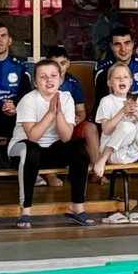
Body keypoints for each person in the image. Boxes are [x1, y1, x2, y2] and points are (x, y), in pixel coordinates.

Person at [7, 58, 94, 228]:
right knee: (30, 149)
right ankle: (25, 211)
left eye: (53, 76)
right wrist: (50, 113)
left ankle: (77, 207)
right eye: (43, 77)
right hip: (23, 150)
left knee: (77, 147)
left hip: (52, 150)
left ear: (61, 80)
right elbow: (32, 137)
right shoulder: (28, 100)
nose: (49, 80)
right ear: (35, 82)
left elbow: (66, 137)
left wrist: (59, 112)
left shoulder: (66, 98)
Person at [93, 62, 138, 179]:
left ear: (131, 82)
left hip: (132, 152)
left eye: (125, 77)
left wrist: (136, 113)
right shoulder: (106, 101)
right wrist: (123, 111)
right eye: (117, 78)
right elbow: (106, 130)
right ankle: (102, 159)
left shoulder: (135, 100)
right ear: (109, 83)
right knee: (128, 126)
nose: (122, 79)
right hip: (113, 153)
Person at [49, 45, 100, 182]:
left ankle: (97, 170)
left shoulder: (73, 82)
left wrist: (78, 118)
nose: (59, 68)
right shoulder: (45, 81)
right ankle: (50, 174)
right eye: (55, 64)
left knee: (91, 128)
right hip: (50, 125)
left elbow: (81, 110)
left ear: (68, 64)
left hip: (71, 124)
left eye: (63, 63)